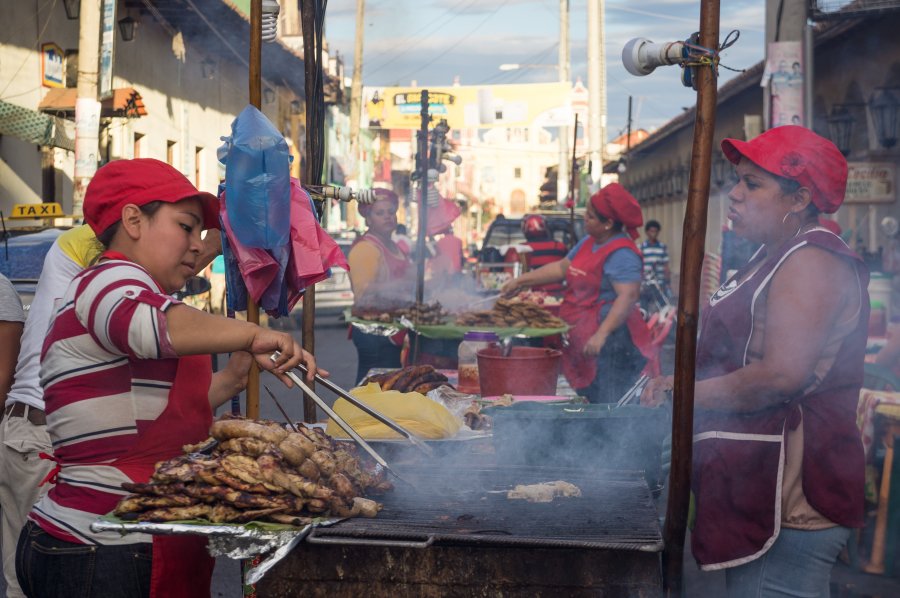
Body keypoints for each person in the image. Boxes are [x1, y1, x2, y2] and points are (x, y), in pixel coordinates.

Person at [15, 158, 324, 598]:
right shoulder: (108, 279)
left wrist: (234, 378)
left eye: (201, 233)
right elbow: (148, 325)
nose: (198, 246)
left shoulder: (143, 292)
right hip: (102, 546)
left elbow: (159, 416)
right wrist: (255, 334)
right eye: (185, 227)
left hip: (128, 536)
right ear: (134, 220)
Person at [642, 126, 868, 595]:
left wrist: (681, 394)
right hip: (752, 485)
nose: (735, 195)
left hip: (790, 499)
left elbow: (780, 376)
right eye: (737, 181)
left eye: (753, 184)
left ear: (799, 197)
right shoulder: (772, 254)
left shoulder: (813, 260)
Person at [502, 183, 652, 403]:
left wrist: (602, 334)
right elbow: (562, 268)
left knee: (608, 402)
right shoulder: (589, 242)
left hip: (613, 345)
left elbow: (628, 296)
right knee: (588, 398)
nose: (585, 220)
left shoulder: (622, 253)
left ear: (608, 223)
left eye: (591, 217)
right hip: (584, 336)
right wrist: (521, 281)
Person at [347, 189, 413, 384]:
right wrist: (400, 285)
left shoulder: (395, 246)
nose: (387, 217)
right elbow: (363, 292)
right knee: (372, 388)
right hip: (373, 332)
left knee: (388, 387)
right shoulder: (365, 248)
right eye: (380, 213)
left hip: (393, 329)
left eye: (391, 212)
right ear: (368, 219)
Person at [503, 215, 568, 294]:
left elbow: (510, 273)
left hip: (530, 294)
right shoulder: (559, 246)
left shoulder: (519, 249)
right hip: (558, 293)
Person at [639, 220, 672, 309]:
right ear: (647, 232)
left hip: (659, 284)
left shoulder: (662, 247)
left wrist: (668, 284)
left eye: (655, 231)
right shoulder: (642, 247)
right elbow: (639, 267)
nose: (653, 233)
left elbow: (666, 267)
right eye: (651, 231)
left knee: (664, 308)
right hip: (646, 284)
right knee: (644, 308)